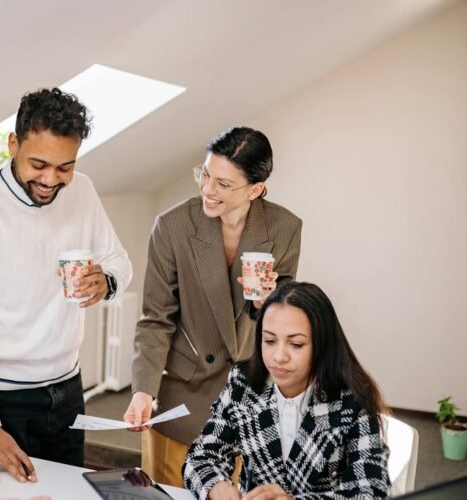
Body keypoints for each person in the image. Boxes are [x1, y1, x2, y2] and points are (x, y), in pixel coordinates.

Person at [0, 88, 132, 483]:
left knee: (70, 492)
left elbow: (119, 261)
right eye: (39, 164)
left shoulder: (82, 190)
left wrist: (108, 280)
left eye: (65, 167)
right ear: (13, 144)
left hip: (69, 388)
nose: (50, 180)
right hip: (5, 401)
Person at [124, 126, 302, 486]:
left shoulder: (285, 227)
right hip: (184, 394)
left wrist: (267, 303)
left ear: (255, 189)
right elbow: (156, 319)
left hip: (250, 394)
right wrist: (143, 389)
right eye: (205, 174)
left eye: (223, 183)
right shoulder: (172, 226)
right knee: (168, 492)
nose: (207, 189)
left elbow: (284, 317)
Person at [184, 282, 391, 499]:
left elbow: (371, 491)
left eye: (296, 344)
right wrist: (218, 488)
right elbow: (201, 456)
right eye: (269, 340)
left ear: (322, 344)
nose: (279, 356)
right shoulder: (243, 383)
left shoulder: (352, 399)